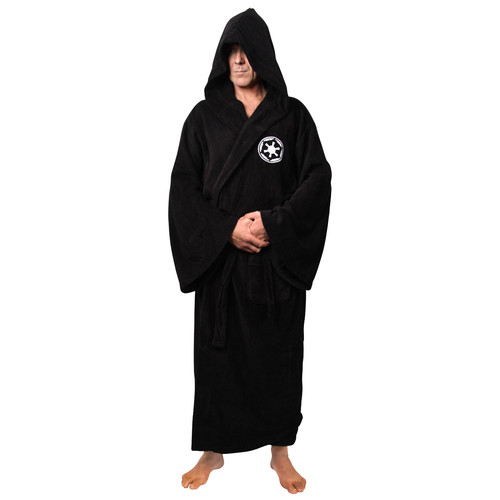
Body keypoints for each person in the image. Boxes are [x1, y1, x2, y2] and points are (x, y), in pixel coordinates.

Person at [168, 8, 331, 494]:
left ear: (263, 55)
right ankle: (212, 451)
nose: (239, 60)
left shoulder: (292, 116)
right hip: (222, 269)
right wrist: (226, 230)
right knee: (217, 363)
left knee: (278, 358)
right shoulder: (203, 118)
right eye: (231, 52)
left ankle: (280, 452)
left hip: (274, 268)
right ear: (223, 59)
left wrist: (273, 224)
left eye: (246, 52)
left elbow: (317, 180)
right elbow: (183, 189)